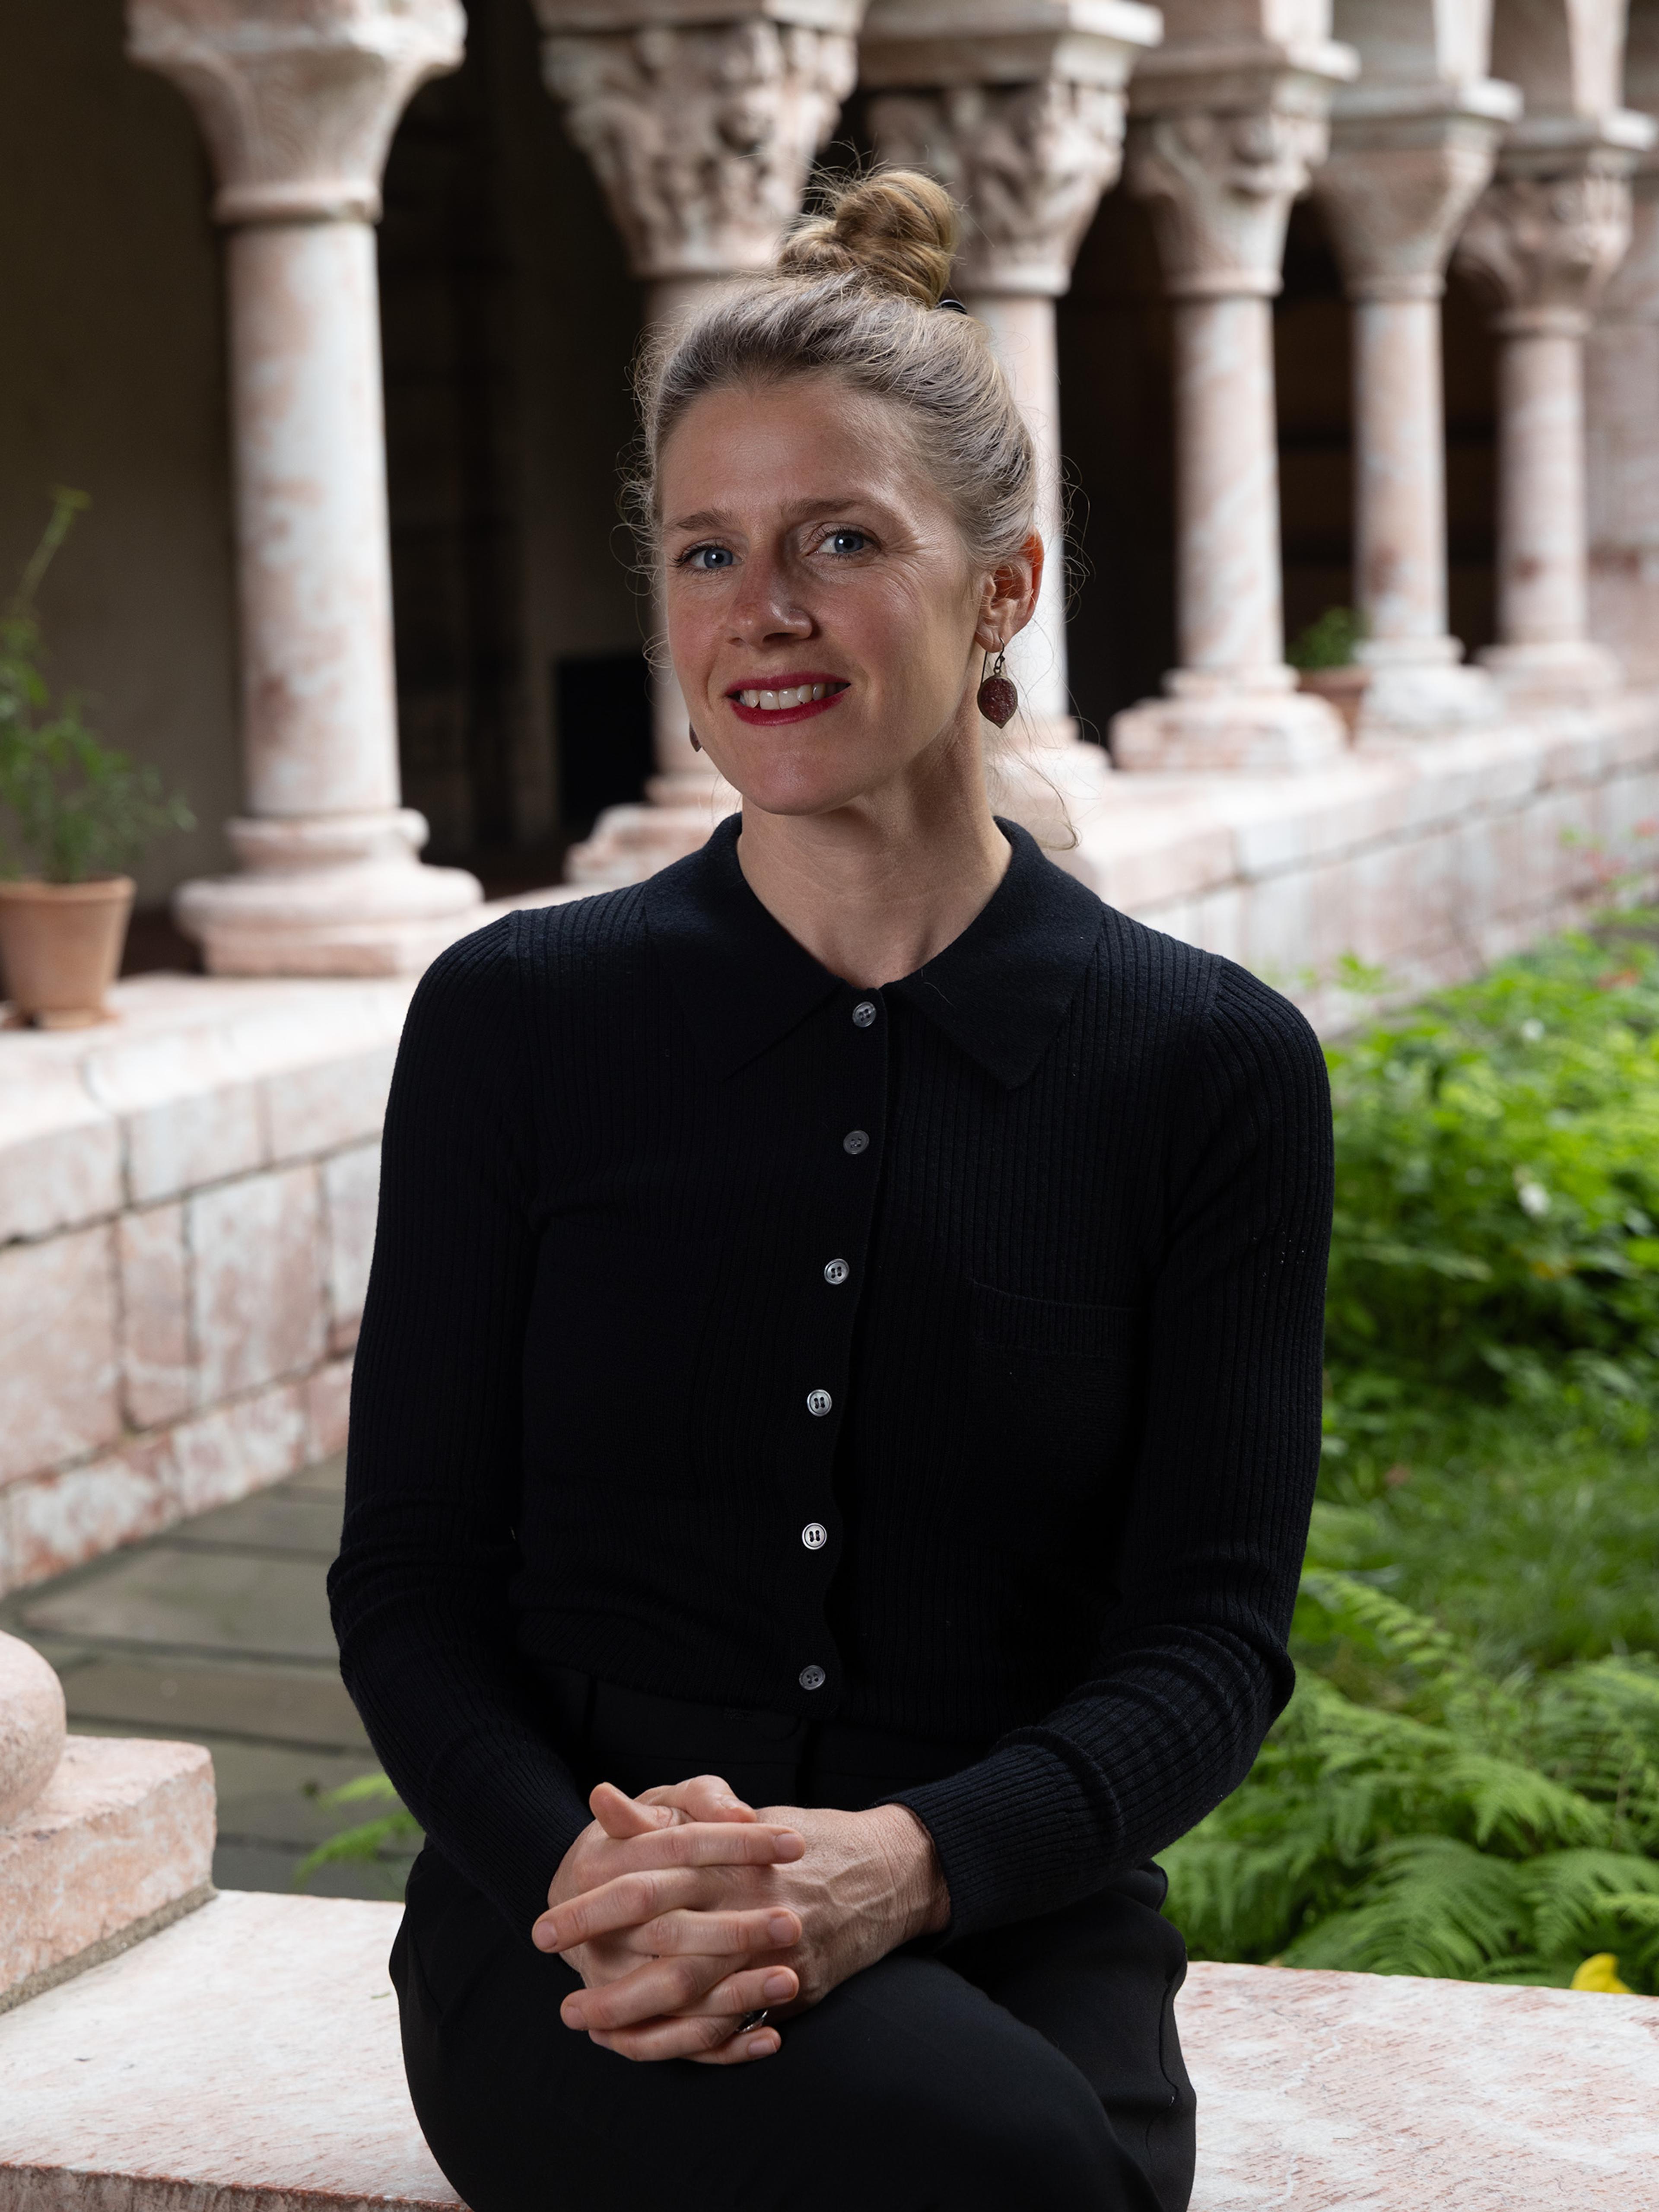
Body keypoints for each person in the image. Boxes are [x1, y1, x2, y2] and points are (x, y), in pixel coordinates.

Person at [328, 168, 1334, 2212]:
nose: (758, 610)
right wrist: (588, 1863)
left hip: (1012, 1907)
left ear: (1007, 586)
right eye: (708, 549)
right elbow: (411, 1579)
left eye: (839, 541)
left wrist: (915, 1860)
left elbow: (1210, 1638)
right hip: (578, 1929)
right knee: (1020, 2182)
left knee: (1035, 2158)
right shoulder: (519, 1020)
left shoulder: (1208, 1067)